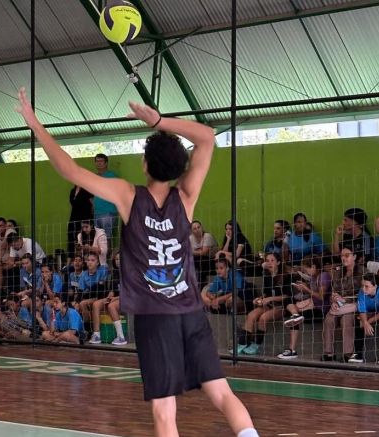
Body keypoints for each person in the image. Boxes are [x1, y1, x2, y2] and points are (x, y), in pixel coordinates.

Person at [16, 87, 258, 437]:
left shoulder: (129, 196)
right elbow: (206, 138)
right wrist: (158, 120)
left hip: (154, 316)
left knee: (165, 410)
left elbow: (68, 169)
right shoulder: (186, 196)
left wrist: (35, 124)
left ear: (145, 164)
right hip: (190, 310)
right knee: (221, 392)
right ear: (178, 168)